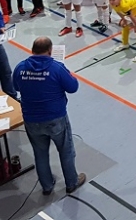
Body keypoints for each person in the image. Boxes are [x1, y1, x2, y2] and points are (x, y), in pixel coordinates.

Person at [13, 37, 85, 196]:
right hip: (55, 118)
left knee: (40, 154)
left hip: (31, 119)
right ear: (50, 51)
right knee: (65, 151)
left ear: (32, 50)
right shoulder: (57, 68)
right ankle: (71, 182)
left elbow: (16, 87)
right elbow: (73, 87)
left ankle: (46, 186)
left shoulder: (20, 68)